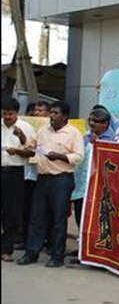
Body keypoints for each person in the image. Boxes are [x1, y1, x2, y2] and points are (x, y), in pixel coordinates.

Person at [16, 101, 85, 268]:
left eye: (55, 113)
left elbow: (79, 156)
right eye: (51, 113)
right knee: (37, 217)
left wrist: (60, 156)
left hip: (61, 179)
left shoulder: (73, 133)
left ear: (65, 116)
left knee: (58, 219)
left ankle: (57, 255)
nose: (51, 116)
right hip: (43, 178)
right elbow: (32, 147)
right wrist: (21, 137)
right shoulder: (43, 130)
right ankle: (31, 252)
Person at [70, 105, 115, 260]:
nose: (93, 124)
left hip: (98, 188)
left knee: (94, 221)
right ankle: (82, 247)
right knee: (80, 218)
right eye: (91, 120)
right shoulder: (86, 136)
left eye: (97, 121)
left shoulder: (112, 140)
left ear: (106, 124)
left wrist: (99, 145)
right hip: (81, 185)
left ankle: (93, 252)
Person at [2, 98, 36, 262]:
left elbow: (31, 153)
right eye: (4, 113)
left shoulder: (26, 128)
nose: (7, 117)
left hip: (15, 172)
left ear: (17, 113)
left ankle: (6, 249)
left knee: (11, 212)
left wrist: (19, 144)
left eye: (10, 113)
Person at [20, 101, 51, 251]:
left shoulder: (49, 130)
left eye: (40, 110)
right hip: (28, 174)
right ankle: (26, 239)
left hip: (44, 174)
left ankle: (45, 240)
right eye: (35, 111)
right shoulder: (29, 128)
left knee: (42, 211)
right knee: (27, 209)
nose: (37, 113)